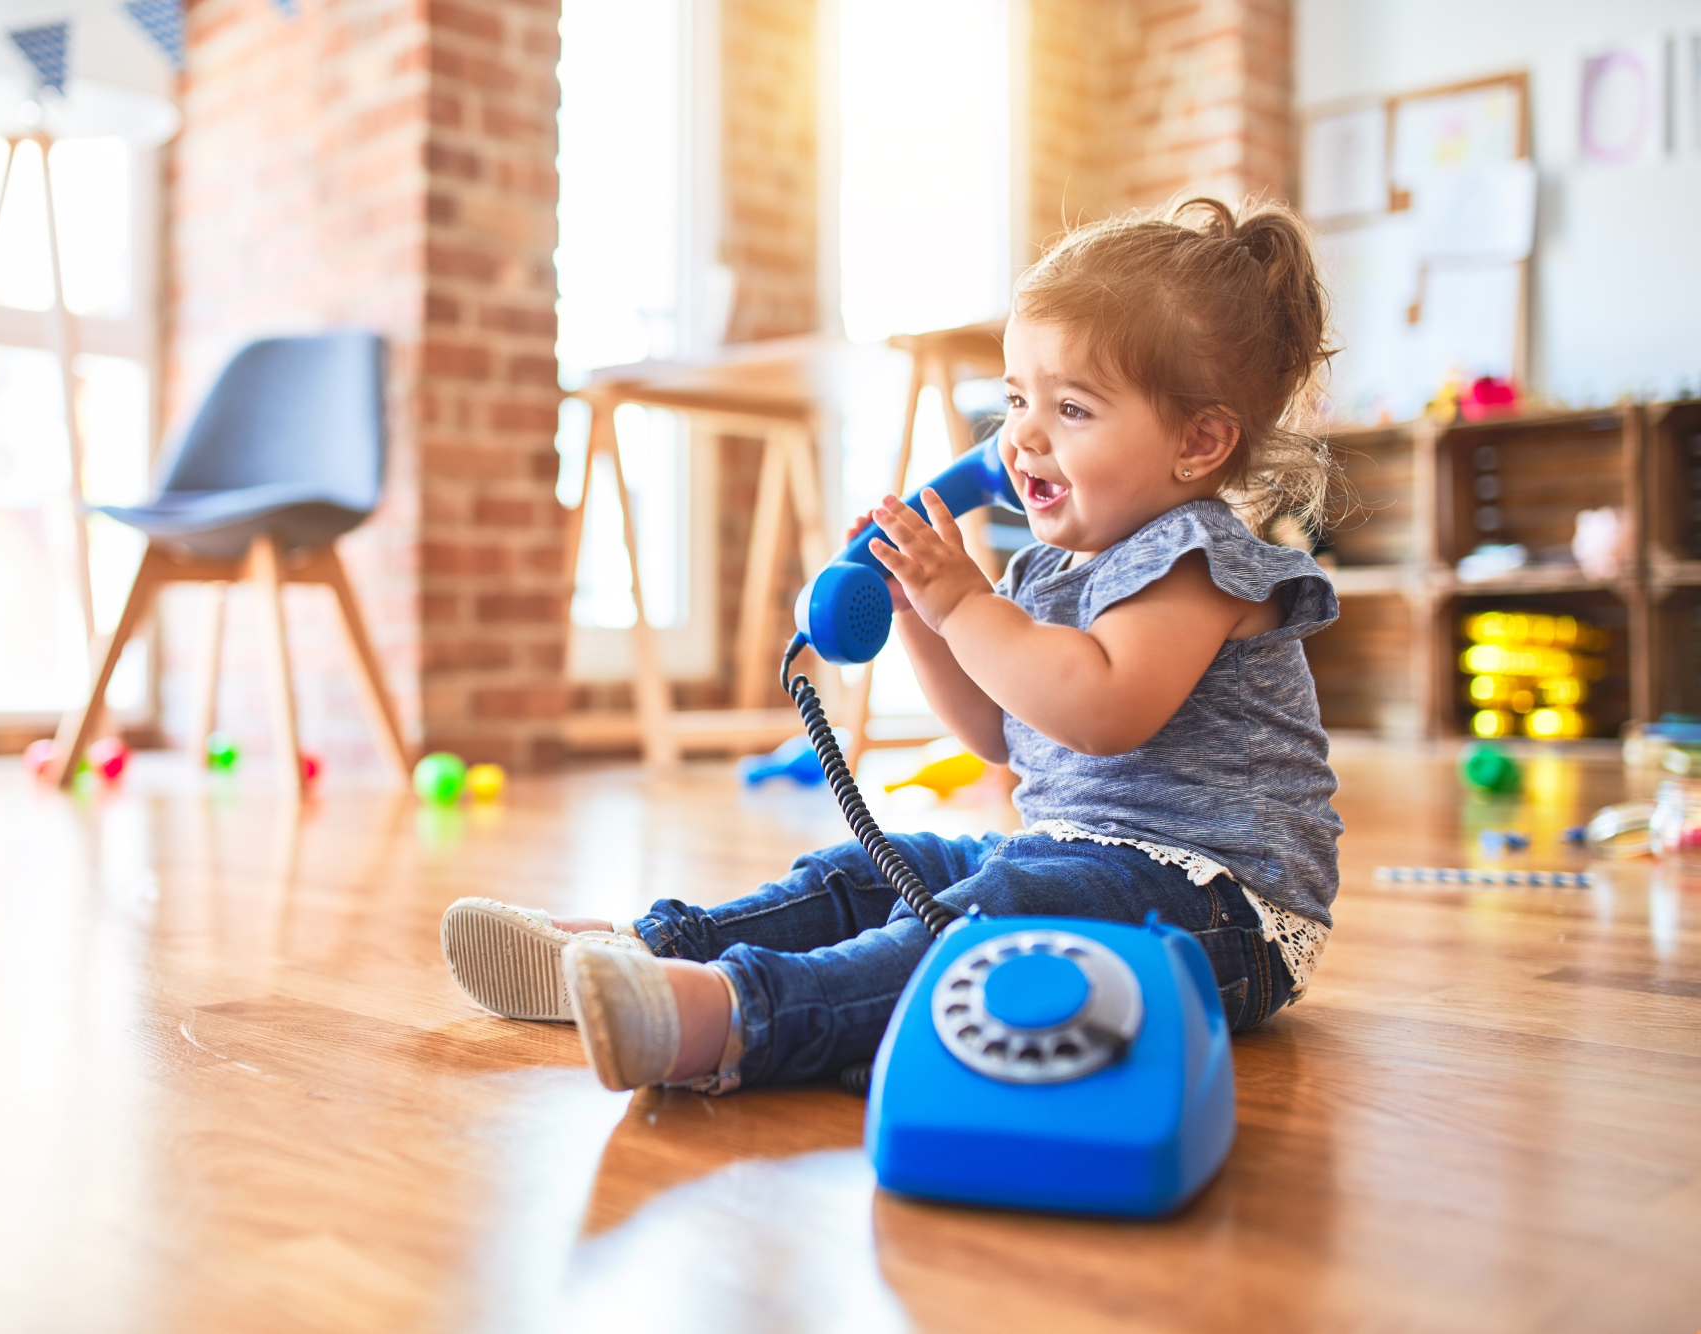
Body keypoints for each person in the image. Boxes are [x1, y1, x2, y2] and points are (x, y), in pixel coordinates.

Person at [440, 196, 1343, 1095]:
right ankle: (642, 949)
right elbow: (1000, 732)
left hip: (1225, 916)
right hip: (1073, 862)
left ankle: (729, 1016)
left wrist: (960, 604)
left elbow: (1100, 711)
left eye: (1071, 408)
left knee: (984, 923)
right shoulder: (1045, 572)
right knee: (872, 869)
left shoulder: (1198, 563)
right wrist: (918, 611)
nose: (1021, 436)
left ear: (1200, 442)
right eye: (1017, 397)